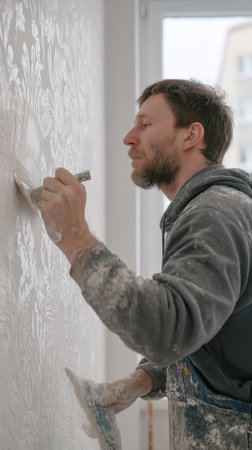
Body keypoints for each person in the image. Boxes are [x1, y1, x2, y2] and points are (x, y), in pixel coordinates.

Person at [39, 79, 252, 449]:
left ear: (191, 135)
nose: (128, 137)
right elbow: (214, 331)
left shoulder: (213, 215)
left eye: (145, 124)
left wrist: (76, 237)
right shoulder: (217, 210)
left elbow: (168, 330)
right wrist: (146, 379)